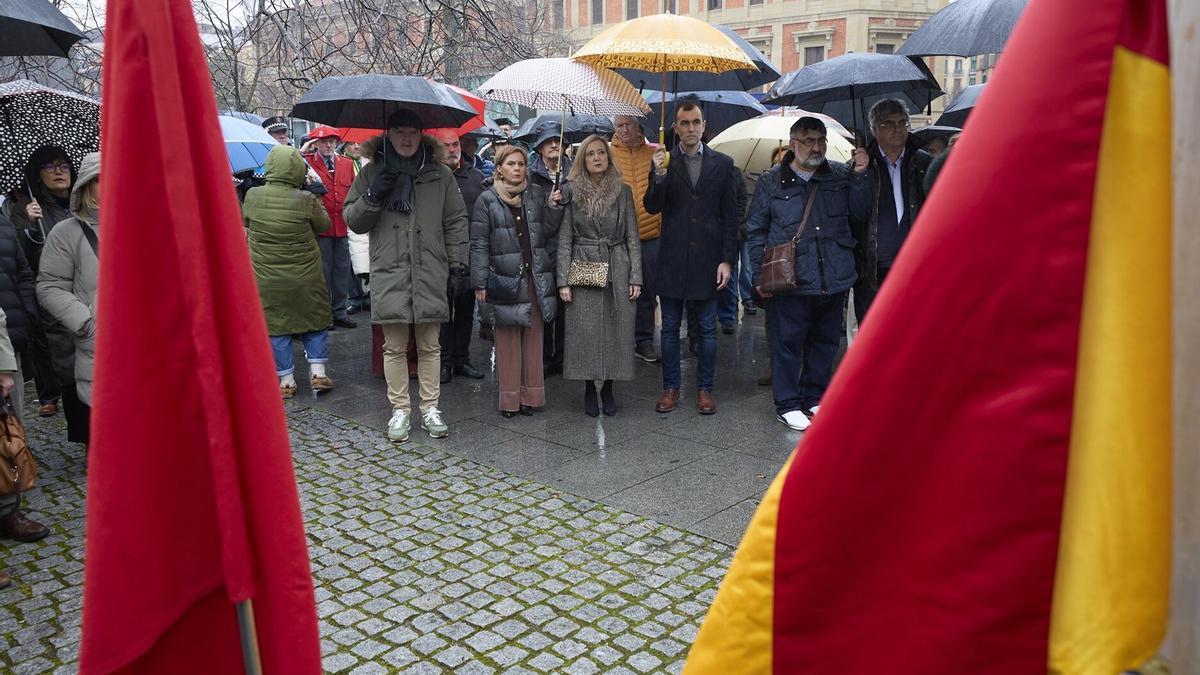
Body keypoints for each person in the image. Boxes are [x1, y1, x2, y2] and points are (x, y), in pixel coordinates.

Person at [344, 109, 468, 442]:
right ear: (388, 134)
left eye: (413, 131)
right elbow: (353, 220)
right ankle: (400, 409)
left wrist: (458, 264)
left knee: (430, 346)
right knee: (394, 347)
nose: (407, 138)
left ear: (421, 134)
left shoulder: (440, 174)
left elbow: (455, 221)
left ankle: (430, 408)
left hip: (430, 269)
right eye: (400, 131)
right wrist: (373, 196)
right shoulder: (371, 173)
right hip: (391, 270)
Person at [747, 117, 871, 431]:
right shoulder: (772, 181)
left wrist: (860, 176)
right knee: (787, 343)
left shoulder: (840, 175)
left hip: (833, 273)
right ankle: (788, 403)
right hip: (791, 278)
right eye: (809, 141)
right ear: (793, 144)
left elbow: (860, 213)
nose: (816, 147)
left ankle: (814, 396)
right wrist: (759, 276)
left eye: (821, 140)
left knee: (825, 342)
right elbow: (756, 230)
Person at [643, 102, 738, 415]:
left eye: (696, 122)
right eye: (684, 123)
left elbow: (730, 217)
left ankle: (704, 389)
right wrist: (658, 174)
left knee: (708, 329)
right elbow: (652, 206)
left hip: (708, 260)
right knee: (670, 328)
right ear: (676, 128)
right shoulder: (664, 161)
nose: (691, 128)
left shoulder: (723, 164)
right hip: (672, 259)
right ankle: (670, 387)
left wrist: (727, 260)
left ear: (704, 125)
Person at [470, 144, 559, 417]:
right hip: (503, 278)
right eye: (511, 164)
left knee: (533, 340)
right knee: (507, 341)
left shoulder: (535, 194)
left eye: (521, 164)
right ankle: (509, 400)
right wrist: (480, 281)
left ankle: (531, 396)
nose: (517, 169)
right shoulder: (487, 199)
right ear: (499, 168)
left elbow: (545, 232)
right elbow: (479, 243)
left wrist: (553, 207)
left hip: (534, 277)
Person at [556, 135, 641, 417]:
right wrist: (563, 281)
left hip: (617, 266)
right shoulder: (571, 192)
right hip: (583, 262)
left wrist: (636, 277)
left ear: (608, 157)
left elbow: (633, 237)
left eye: (601, 153)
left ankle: (609, 387)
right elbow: (565, 238)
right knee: (585, 331)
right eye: (591, 154)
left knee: (617, 329)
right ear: (583, 159)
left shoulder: (623, 191)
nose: (596, 158)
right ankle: (589, 388)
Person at [242, 145, 334, 397]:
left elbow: (246, 221)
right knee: (314, 319)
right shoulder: (306, 199)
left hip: (267, 277)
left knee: (276, 325)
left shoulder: (252, 196)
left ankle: (286, 381)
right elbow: (324, 225)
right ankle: (318, 373)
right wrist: (316, 195)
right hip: (305, 275)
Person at [7, 146, 78, 423]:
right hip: (49, 290)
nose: (58, 171)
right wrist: (30, 226)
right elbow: (18, 257)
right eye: (50, 166)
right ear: (37, 174)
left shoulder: (82, 202)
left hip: (83, 287)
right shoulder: (26, 208)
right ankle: (53, 395)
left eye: (63, 165)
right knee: (54, 348)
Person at [37, 151, 102, 445]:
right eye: (100, 179)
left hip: (148, 347)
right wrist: (87, 323)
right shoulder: (66, 232)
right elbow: (49, 286)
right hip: (99, 348)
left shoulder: (143, 225)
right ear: (87, 185)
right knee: (106, 441)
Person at [851, 98, 932, 324]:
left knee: (912, 329)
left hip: (914, 266)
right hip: (873, 270)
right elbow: (857, 213)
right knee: (875, 330)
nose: (898, 129)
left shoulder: (923, 163)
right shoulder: (862, 166)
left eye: (902, 122)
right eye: (889, 124)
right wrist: (860, 175)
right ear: (875, 129)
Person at [431, 128, 486, 383]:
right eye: (446, 145)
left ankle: (462, 359)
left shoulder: (475, 177)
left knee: (465, 313)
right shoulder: (429, 177)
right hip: (439, 258)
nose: (452, 149)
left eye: (455, 144)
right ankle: (444, 362)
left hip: (469, 257)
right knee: (443, 314)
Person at [609, 115, 661, 364]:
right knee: (619, 289)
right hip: (619, 235)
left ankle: (644, 339)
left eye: (628, 124)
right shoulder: (608, 155)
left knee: (647, 290)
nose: (624, 130)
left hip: (650, 233)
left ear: (638, 126)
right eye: (619, 125)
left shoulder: (654, 153)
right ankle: (619, 338)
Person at [302, 126, 357, 330]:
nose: (329, 145)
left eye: (332, 142)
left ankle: (340, 312)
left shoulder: (347, 163)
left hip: (341, 227)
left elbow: (353, 192)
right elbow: (292, 166)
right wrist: (302, 151)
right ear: (315, 143)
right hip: (320, 229)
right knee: (322, 274)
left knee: (342, 273)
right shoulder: (307, 162)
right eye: (324, 142)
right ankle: (325, 315)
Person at [528, 128, 571, 376]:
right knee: (545, 307)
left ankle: (563, 358)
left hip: (569, 249)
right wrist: (549, 204)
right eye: (548, 142)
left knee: (567, 308)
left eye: (558, 140)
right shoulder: (531, 175)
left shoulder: (575, 172)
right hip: (543, 250)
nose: (554, 145)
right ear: (540, 148)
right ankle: (543, 358)